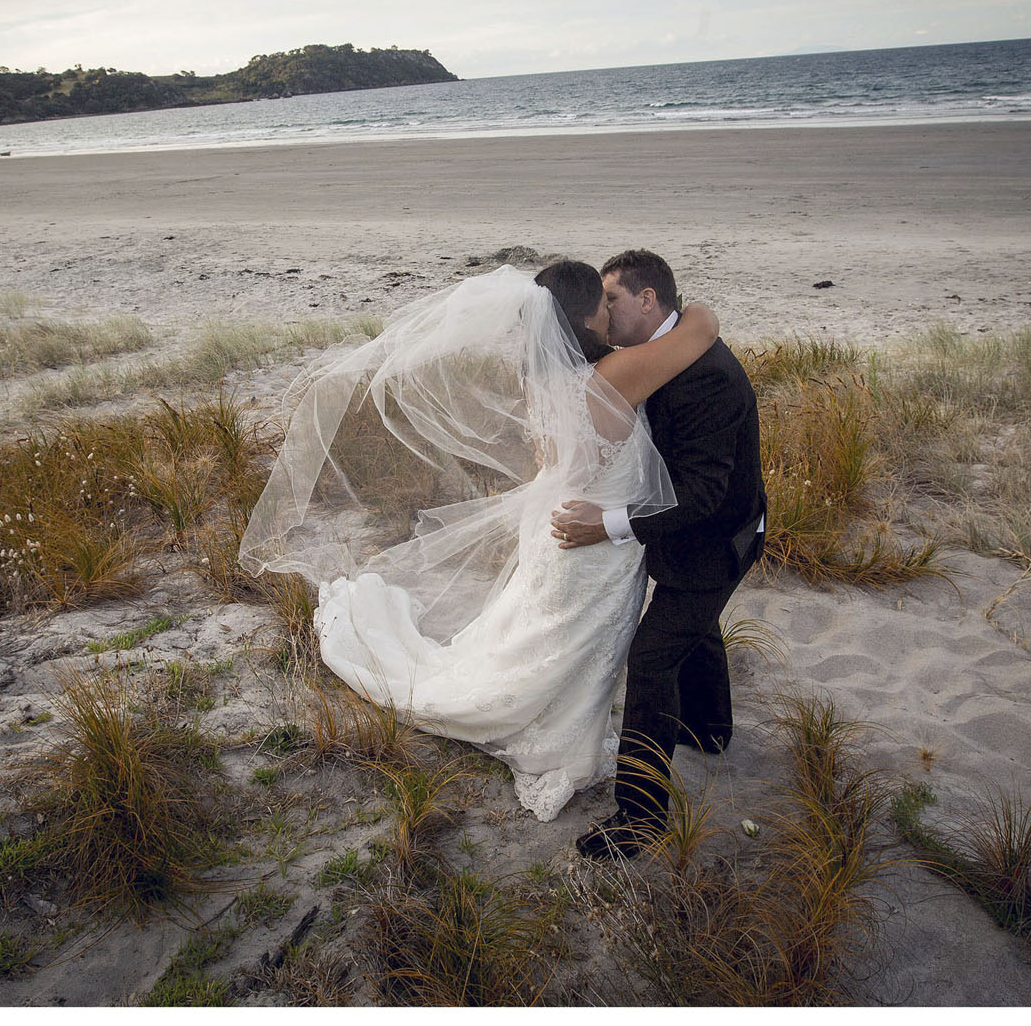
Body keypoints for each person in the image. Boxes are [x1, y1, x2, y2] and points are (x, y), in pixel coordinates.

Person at [237, 261, 720, 821]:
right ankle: (557, 738)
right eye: (604, 304)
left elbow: (549, 459)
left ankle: (556, 724)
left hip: (555, 526)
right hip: (591, 543)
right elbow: (702, 328)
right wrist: (700, 309)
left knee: (546, 640)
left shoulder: (541, 378)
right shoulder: (613, 377)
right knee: (569, 646)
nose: (610, 312)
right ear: (583, 319)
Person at [550, 249, 767, 861]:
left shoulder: (708, 377)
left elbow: (703, 494)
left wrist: (608, 525)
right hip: (686, 536)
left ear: (648, 301)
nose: (603, 312)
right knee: (695, 632)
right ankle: (710, 728)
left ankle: (640, 819)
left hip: (719, 539)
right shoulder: (657, 352)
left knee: (651, 660)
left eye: (612, 299)